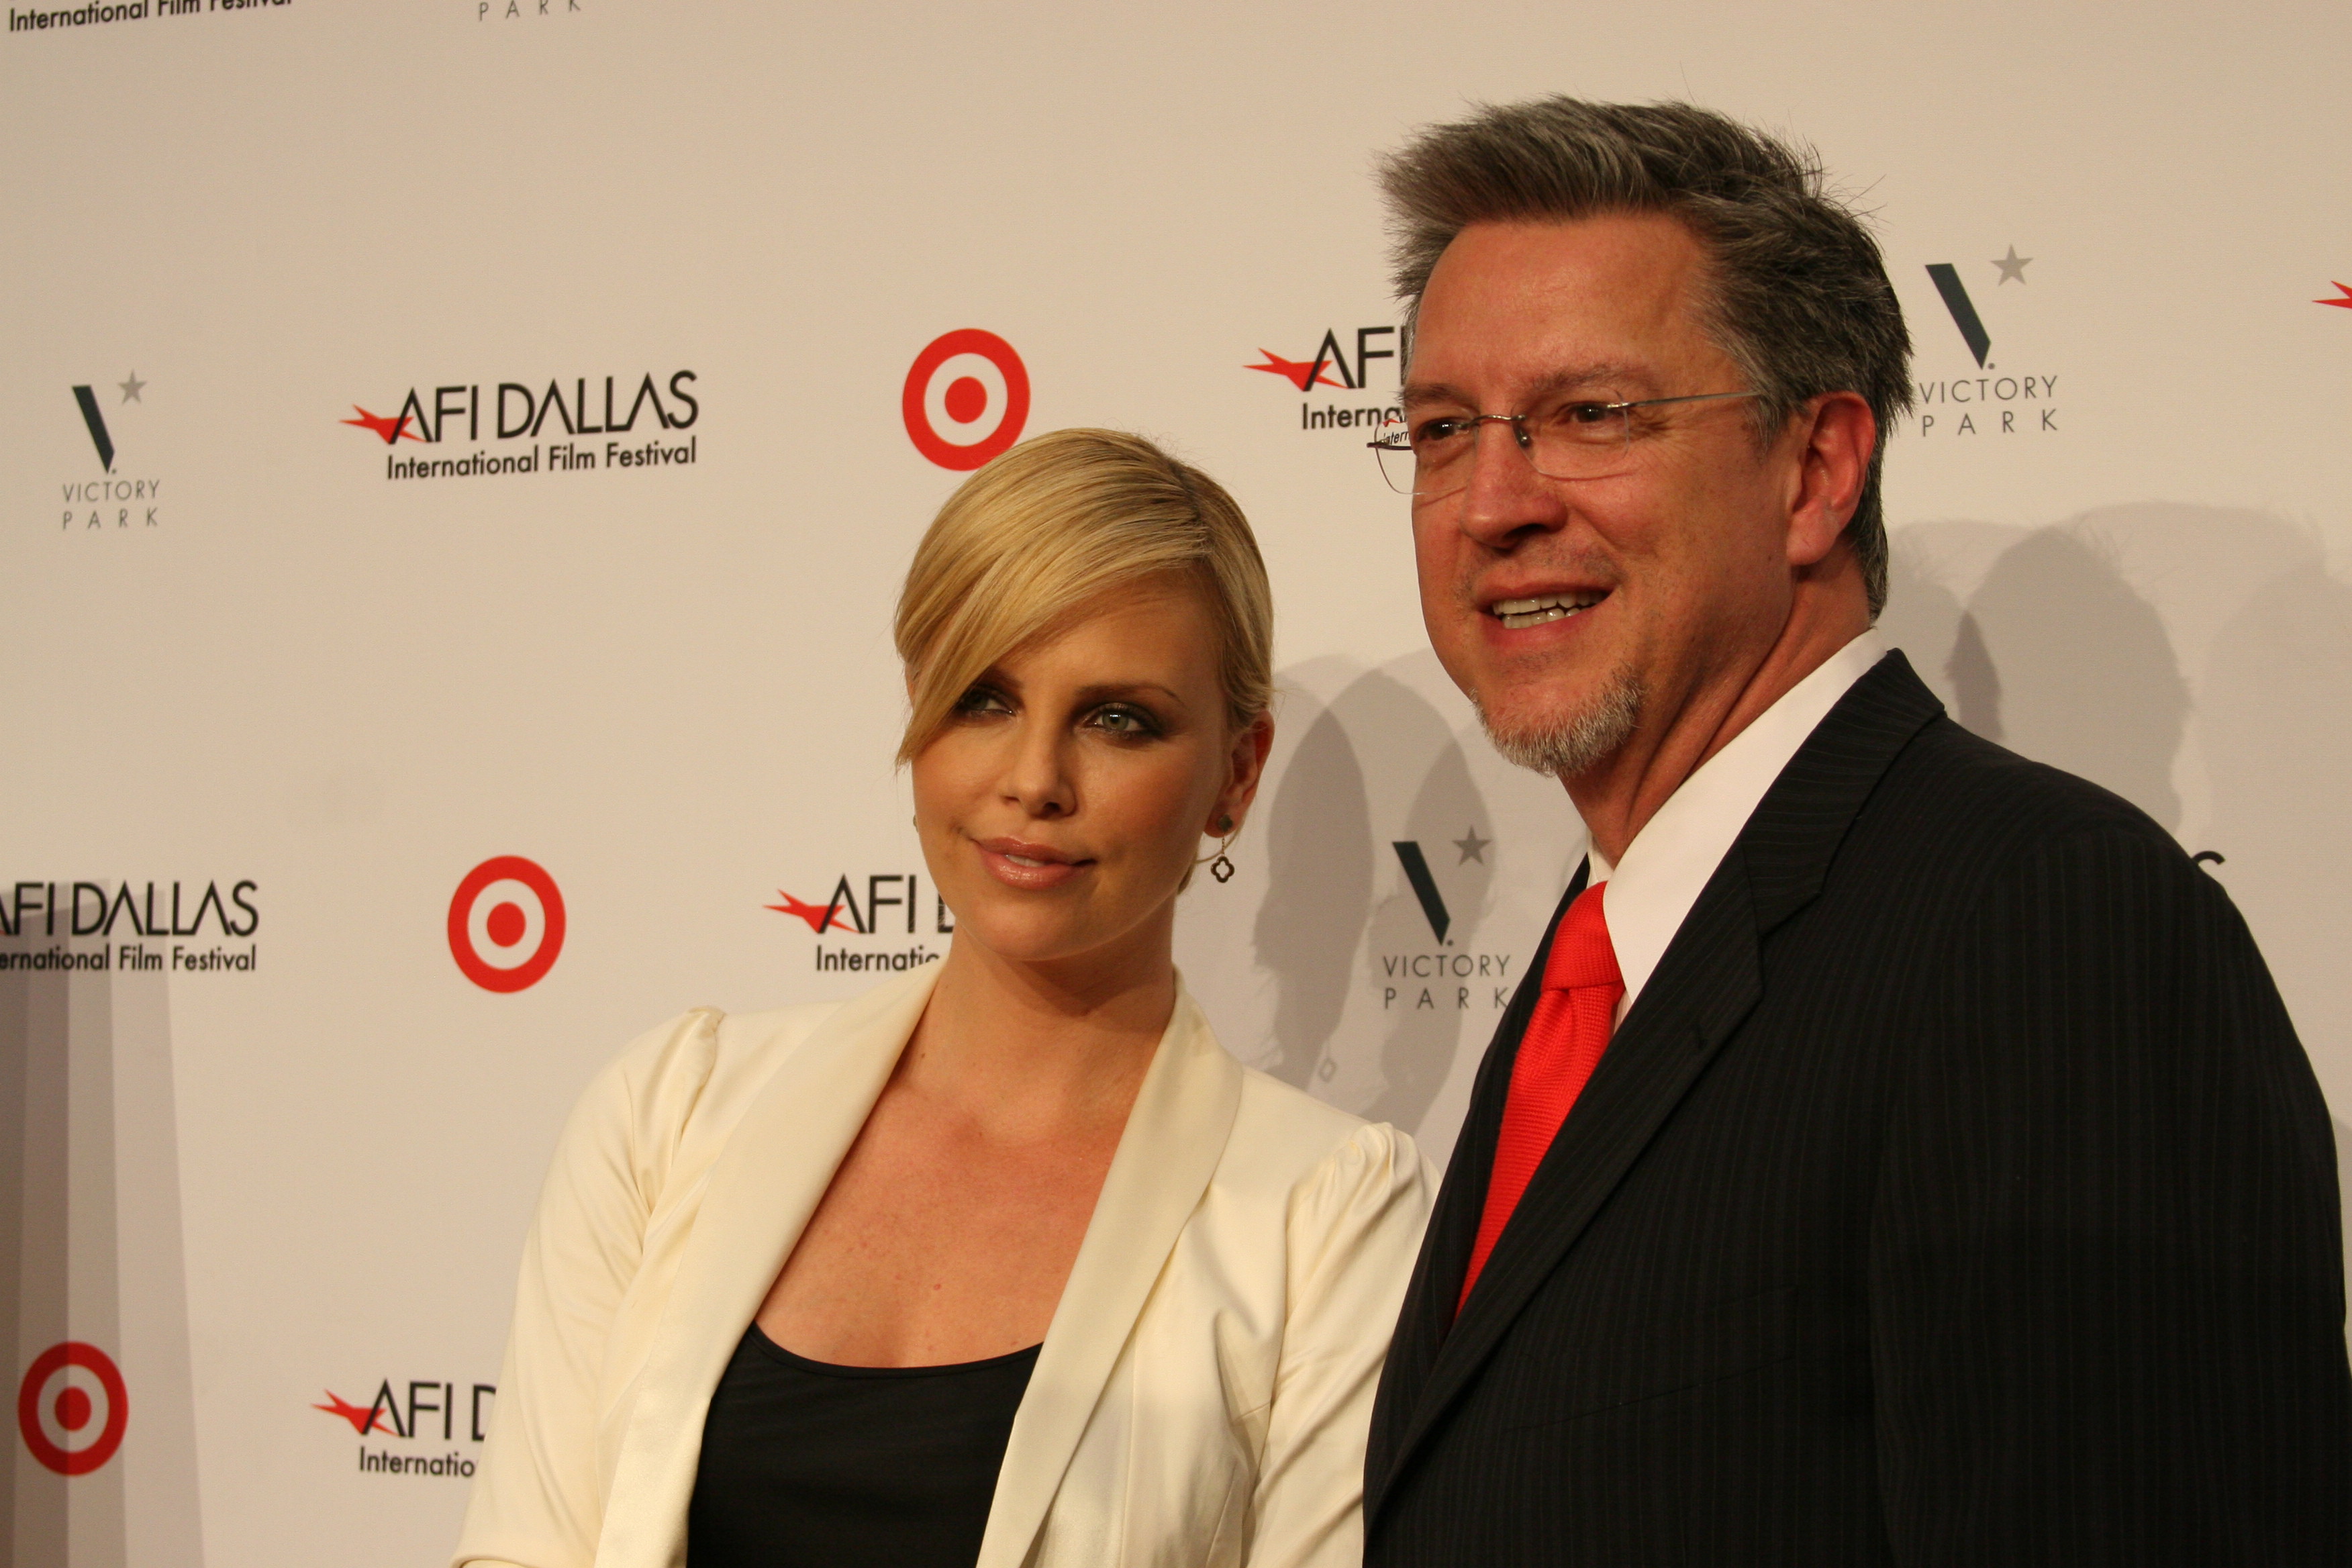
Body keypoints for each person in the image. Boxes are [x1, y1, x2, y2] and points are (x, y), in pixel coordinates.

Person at [1359, 97, 2351, 1563]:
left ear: (1817, 471)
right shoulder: (1610, 964)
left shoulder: (2045, 931)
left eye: (1593, 415)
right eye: (1447, 431)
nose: (1492, 503)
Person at [452, 428, 1431, 1568]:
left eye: (1119, 719)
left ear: (1237, 774)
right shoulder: (672, 1112)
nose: (1033, 780)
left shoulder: (1325, 1216)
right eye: (983, 699)